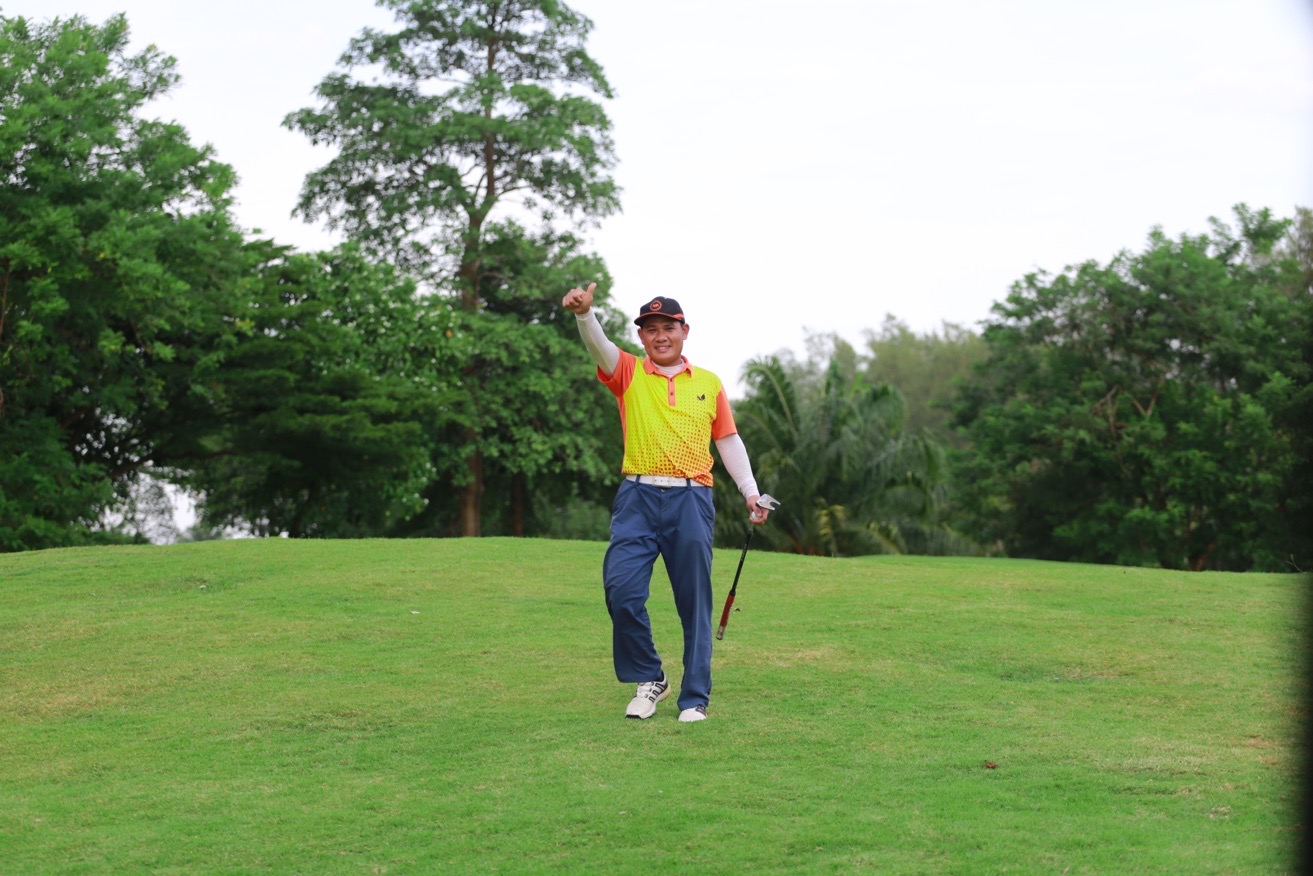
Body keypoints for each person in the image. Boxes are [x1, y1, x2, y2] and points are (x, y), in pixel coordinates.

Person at [561, 282, 772, 722]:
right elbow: (599, 346)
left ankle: (694, 697)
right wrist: (585, 314)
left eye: (668, 327)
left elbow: (727, 440)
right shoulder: (628, 372)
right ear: (641, 336)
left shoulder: (709, 383)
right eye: (651, 329)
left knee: (694, 603)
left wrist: (750, 492)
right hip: (637, 497)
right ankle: (650, 678)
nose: (660, 336)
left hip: (692, 499)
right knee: (621, 590)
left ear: (684, 331)